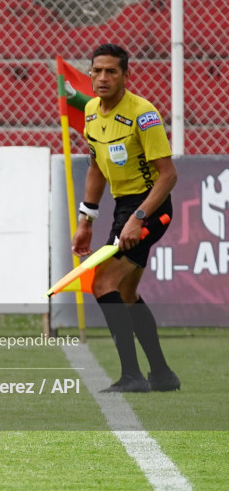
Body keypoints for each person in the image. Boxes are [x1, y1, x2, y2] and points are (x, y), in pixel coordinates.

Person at [72, 44, 180, 393]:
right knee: (127, 292)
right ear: (90, 73)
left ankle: (132, 376)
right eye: (97, 71)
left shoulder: (143, 113)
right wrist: (85, 220)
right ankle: (162, 375)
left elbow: (168, 175)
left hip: (152, 207)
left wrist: (138, 217)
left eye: (111, 72)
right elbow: (95, 168)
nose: (103, 78)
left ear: (125, 75)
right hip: (124, 209)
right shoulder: (89, 111)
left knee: (103, 283)